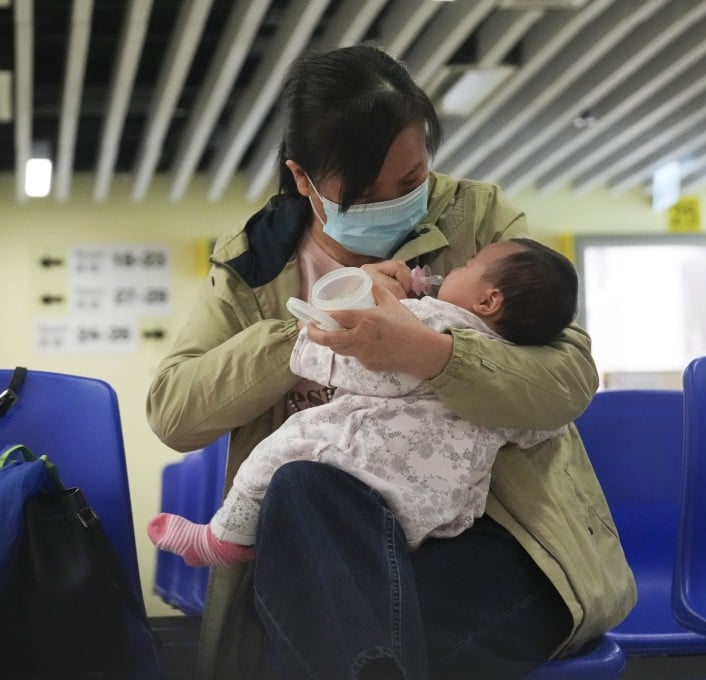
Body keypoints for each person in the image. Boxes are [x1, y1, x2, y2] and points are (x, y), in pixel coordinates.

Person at [146, 43, 636, 680]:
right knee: (302, 485)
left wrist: (431, 352)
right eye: (363, 193)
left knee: (328, 642)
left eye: (411, 182)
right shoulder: (253, 264)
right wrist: (311, 329)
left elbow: (568, 379)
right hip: (334, 547)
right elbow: (173, 412)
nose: (400, 203)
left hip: (498, 542)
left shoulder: (479, 220)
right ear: (304, 179)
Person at [148, 239, 578, 568]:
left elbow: (368, 367)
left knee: (283, 449)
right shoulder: (513, 363)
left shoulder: (429, 320)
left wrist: (310, 342)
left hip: (366, 480)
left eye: (465, 267)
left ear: (487, 301)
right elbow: (533, 426)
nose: (451, 271)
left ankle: (225, 539)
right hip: (439, 512)